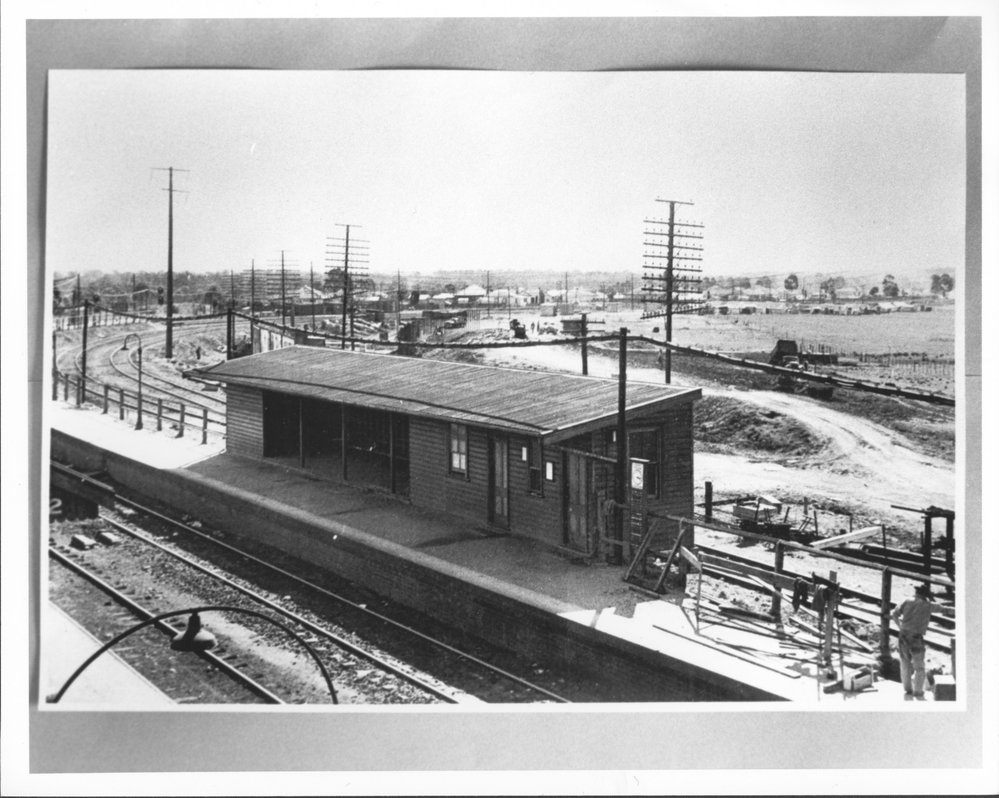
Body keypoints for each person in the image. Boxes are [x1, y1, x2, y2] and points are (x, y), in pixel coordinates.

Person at [891, 584, 949, 698]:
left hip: (903, 636)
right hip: (916, 638)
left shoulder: (906, 601)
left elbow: (894, 614)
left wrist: (900, 627)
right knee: (919, 667)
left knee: (905, 663)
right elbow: (943, 609)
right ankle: (918, 691)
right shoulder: (928, 605)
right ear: (925, 595)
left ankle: (907, 689)